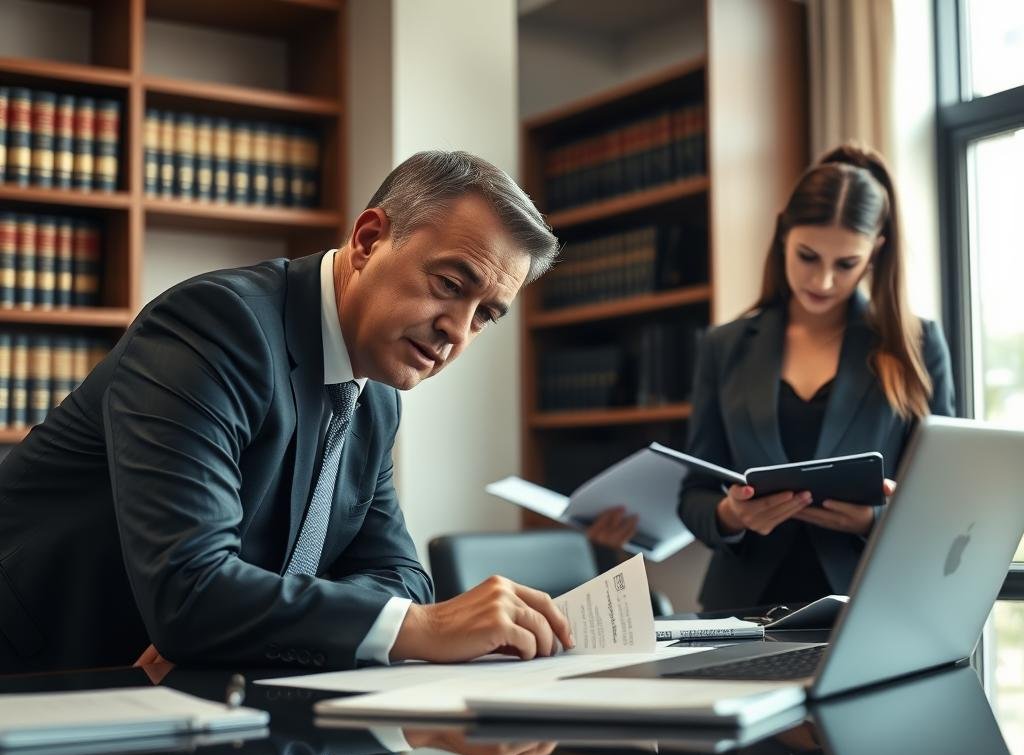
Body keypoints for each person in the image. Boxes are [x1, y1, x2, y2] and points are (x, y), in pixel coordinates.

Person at [0, 150, 574, 675]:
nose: (456, 330)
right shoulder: (218, 327)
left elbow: (400, 574)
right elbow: (191, 592)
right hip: (47, 681)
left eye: (485, 316)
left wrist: (239, 628)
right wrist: (421, 628)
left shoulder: (373, 398)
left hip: (185, 700)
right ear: (370, 239)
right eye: (450, 283)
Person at [678, 143, 955, 611]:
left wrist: (872, 520)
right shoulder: (723, 347)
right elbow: (694, 496)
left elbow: (945, 499)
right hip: (742, 612)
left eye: (845, 264)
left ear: (875, 254)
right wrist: (731, 513)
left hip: (870, 606)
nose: (823, 281)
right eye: (808, 256)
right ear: (784, 232)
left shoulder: (916, 345)